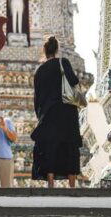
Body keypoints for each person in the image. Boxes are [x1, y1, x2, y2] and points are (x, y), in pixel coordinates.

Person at [31, 36, 82, 188]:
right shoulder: (63, 62)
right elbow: (73, 81)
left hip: (49, 113)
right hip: (67, 111)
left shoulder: (39, 71)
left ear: (45, 51)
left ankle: (51, 182)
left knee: (50, 146)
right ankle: (72, 184)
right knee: (69, 145)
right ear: (57, 49)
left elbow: (37, 96)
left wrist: (40, 115)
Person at [0, 113, 18, 187]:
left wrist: (5, 128)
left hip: (5, 159)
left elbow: (15, 139)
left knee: (6, 189)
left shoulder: (7, 121)